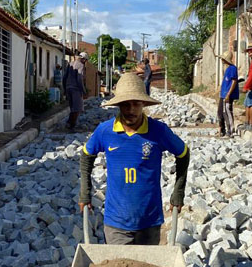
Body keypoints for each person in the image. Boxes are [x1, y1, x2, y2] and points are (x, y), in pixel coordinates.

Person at [79, 72, 190, 245]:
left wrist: (178, 192)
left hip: (149, 221)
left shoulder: (158, 131)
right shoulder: (105, 131)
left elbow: (183, 153)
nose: (131, 110)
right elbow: (87, 155)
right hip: (116, 221)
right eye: (125, 104)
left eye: (136, 104)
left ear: (144, 103)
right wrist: (85, 192)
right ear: (118, 105)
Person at [63, 52, 87, 131]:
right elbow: (79, 79)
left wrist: (64, 89)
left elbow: (64, 77)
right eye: (85, 60)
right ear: (83, 59)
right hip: (76, 89)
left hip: (68, 88)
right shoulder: (81, 65)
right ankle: (71, 125)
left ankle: (69, 123)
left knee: (72, 107)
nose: (85, 62)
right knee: (77, 108)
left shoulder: (70, 64)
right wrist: (83, 90)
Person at [217, 50, 238, 137]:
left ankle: (230, 130)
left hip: (227, 95)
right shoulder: (228, 69)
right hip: (223, 94)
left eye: (222, 58)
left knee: (227, 112)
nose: (221, 60)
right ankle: (222, 130)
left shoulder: (232, 68)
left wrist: (228, 94)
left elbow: (234, 81)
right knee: (220, 112)